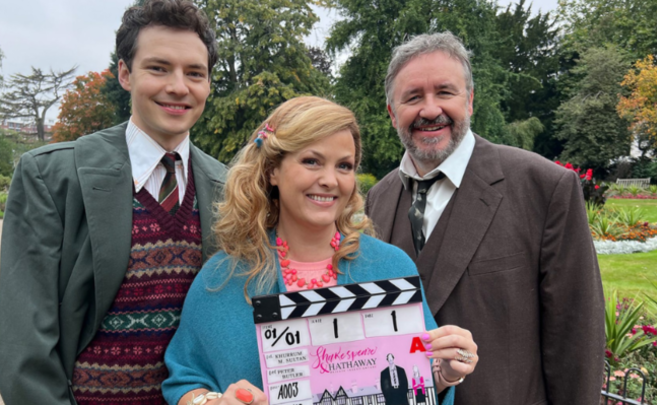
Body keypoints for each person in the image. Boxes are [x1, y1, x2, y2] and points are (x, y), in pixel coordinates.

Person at [160, 96, 478, 405]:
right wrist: (210, 402)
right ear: (273, 170)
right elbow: (185, 380)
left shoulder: (390, 267)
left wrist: (448, 370)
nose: (329, 180)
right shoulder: (221, 278)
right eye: (311, 161)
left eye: (344, 165)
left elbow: (420, 380)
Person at [0, 1, 226, 404]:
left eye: (194, 73)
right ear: (124, 73)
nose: (178, 86)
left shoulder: (228, 187)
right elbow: (23, 343)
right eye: (158, 68)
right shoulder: (51, 177)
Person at [365, 32, 604, 405]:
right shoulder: (376, 200)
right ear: (393, 112)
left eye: (445, 92)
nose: (430, 110)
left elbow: (577, 336)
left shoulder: (544, 187)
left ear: (470, 100)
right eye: (413, 97)